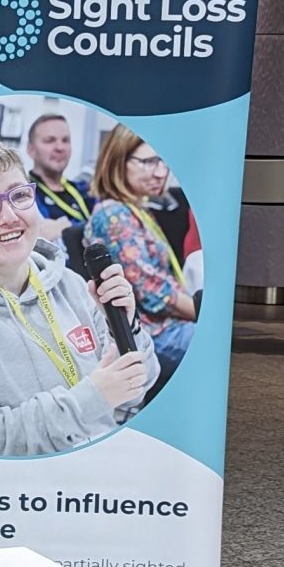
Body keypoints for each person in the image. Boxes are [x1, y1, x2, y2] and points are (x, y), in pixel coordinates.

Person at [0, 138, 150, 456]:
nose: (9, 216)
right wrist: (92, 399)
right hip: (18, 495)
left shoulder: (72, 286)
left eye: (19, 196)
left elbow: (135, 392)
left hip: (104, 477)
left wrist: (126, 328)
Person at [83, 128, 198, 391]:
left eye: (163, 162)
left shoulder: (136, 209)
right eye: (148, 162)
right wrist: (204, 314)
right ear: (118, 161)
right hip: (152, 334)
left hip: (165, 326)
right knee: (218, 341)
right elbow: (155, 294)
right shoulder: (114, 215)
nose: (161, 173)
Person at [23, 111, 91, 261]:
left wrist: (65, 228)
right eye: (50, 140)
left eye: (65, 140)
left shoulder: (84, 190)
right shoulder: (24, 195)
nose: (60, 147)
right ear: (31, 149)